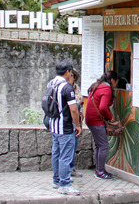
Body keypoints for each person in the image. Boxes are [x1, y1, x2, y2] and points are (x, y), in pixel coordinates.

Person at [48, 60, 83, 196]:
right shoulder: (66, 87)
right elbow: (73, 109)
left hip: (54, 125)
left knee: (56, 153)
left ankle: (56, 180)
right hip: (65, 126)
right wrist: (78, 125)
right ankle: (65, 184)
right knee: (65, 156)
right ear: (68, 72)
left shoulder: (51, 83)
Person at [85, 70, 119, 180]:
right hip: (96, 120)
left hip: (90, 119)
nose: (116, 85)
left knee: (99, 145)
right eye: (116, 82)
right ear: (113, 80)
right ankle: (100, 172)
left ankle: (98, 169)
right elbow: (103, 107)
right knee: (103, 145)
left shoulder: (97, 85)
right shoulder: (107, 88)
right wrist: (111, 118)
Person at [69, 69, 83, 178]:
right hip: (67, 123)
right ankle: (65, 172)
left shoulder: (76, 88)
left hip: (77, 122)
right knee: (67, 148)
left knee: (73, 146)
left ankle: (71, 168)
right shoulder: (64, 89)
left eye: (72, 75)